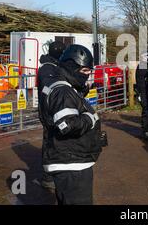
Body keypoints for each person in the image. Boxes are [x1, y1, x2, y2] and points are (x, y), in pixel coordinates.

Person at [39, 44, 104, 205]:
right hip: (71, 165)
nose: (88, 75)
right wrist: (90, 118)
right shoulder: (63, 90)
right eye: (84, 71)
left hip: (70, 160)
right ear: (71, 66)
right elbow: (66, 125)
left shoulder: (63, 85)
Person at [37, 41, 66, 190]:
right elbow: (51, 88)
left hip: (52, 110)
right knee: (49, 142)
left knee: (54, 142)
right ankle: (47, 178)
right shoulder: (48, 68)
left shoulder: (52, 66)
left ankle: (54, 172)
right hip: (48, 111)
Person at [135, 52, 148, 140]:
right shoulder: (142, 66)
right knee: (146, 111)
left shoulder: (147, 66)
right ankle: (146, 131)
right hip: (143, 92)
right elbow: (143, 81)